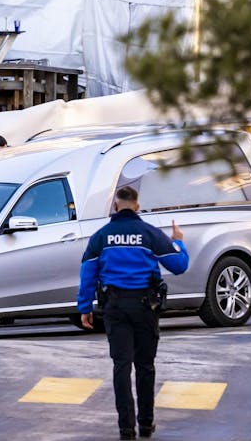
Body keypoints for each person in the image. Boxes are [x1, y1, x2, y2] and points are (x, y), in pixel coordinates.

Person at [77, 186, 189, 440]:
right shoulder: (150, 234)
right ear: (137, 207)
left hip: (114, 309)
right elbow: (180, 265)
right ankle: (146, 425)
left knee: (121, 366)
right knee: (145, 366)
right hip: (145, 308)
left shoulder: (101, 237)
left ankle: (126, 428)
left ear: (115, 206)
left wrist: (84, 308)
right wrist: (179, 240)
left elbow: (87, 274)